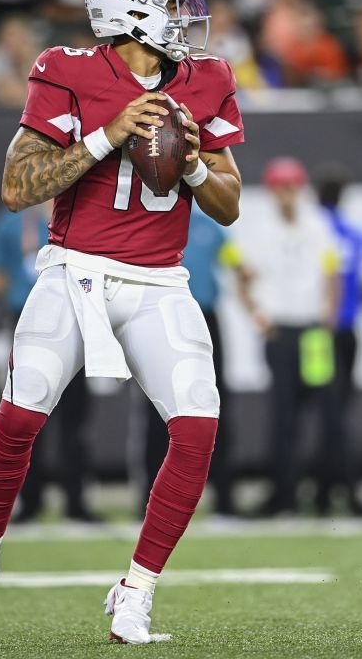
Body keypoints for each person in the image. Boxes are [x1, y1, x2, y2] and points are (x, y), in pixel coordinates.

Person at [0, 0, 245, 645]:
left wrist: (190, 163)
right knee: (19, 418)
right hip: (76, 271)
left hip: (161, 280)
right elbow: (18, 189)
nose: (186, 17)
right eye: (171, 3)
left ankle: (136, 590)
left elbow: (227, 205)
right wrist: (108, 135)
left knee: (196, 429)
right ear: (128, 10)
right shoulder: (66, 72)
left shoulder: (210, 78)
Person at [233, 157, 343, 517]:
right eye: (281, 188)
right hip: (280, 330)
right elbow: (242, 274)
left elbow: (332, 273)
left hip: (313, 331)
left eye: (292, 187)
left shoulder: (317, 224)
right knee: (283, 415)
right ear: (271, 191)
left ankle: (326, 493)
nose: (287, 195)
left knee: (326, 414)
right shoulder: (259, 229)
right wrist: (257, 316)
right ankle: (284, 495)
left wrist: (328, 317)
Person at [0, 201, 100, 524]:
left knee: (75, 418)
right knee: (27, 417)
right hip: (29, 320)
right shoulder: (11, 225)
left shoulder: (80, 216)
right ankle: (30, 500)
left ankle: (76, 500)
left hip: (72, 320)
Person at [135, 205, 238, 520]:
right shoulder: (148, 222)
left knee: (215, 404)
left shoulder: (210, 227)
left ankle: (224, 500)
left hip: (204, 319)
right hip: (159, 318)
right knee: (155, 409)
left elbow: (238, 264)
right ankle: (151, 500)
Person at [315, 168, 362, 516]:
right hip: (348, 330)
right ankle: (341, 488)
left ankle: (329, 490)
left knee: (328, 412)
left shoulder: (314, 231)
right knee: (338, 411)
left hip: (320, 332)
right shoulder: (355, 234)